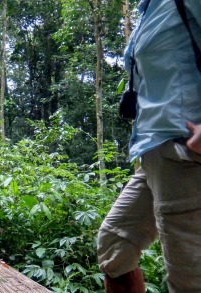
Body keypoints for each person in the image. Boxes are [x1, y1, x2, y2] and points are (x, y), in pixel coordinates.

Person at [97, 1, 201, 292]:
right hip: (155, 153)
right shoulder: (151, 8)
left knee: (190, 283)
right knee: (115, 246)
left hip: (185, 157)